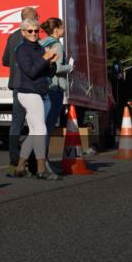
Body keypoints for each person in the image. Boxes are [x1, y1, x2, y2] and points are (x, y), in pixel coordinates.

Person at [11, 18, 61, 180]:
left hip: (38, 92)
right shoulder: (22, 50)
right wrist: (45, 58)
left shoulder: (38, 47)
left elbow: (46, 73)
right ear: (23, 32)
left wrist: (52, 64)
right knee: (41, 130)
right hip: (28, 92)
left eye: (36, 31)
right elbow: (31, 72)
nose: (33, 34)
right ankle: (41, 169)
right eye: (30, 31)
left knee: (34, 132)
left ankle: (20, 167)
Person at [3, 6, 39, 172]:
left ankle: (14, 158)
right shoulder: (32, 39)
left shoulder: (12, 37)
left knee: (16, 123)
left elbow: (5, 60)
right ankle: (33, 162)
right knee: (35, 124)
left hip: (16, 84)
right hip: (29, 85)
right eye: (36, 18)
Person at [39, 17, 74, 157]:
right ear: (56, 30)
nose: (64, 30)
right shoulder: (57, 45)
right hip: (55, 87)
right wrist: (70, 67)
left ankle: (37, 157)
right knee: (48, 124)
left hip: (44, 86)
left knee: (42, 124)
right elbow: (57, 68)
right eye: (63, 27)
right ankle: (42, 158)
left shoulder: (42, 43)